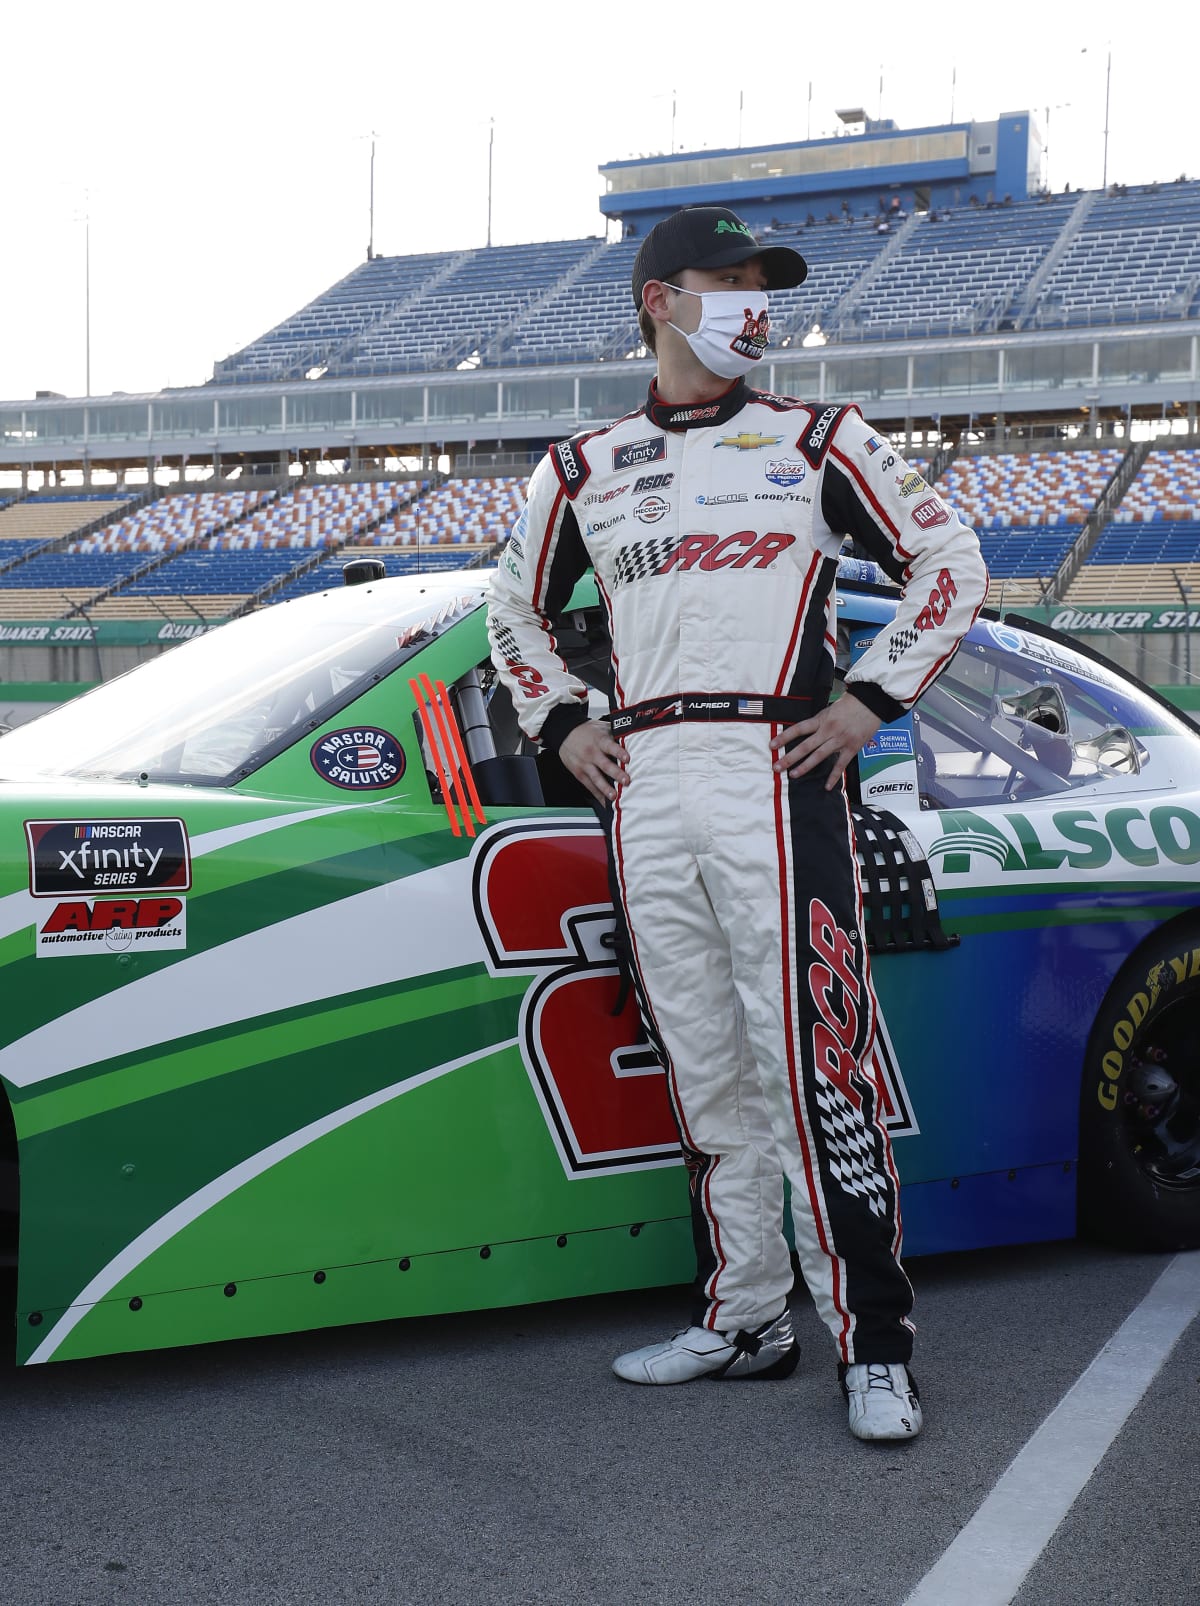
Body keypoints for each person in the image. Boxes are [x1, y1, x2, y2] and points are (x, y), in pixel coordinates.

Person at [486, 205, 987, 1442]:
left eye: (763, 284)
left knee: (813, 1067)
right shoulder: (582, 467)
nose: (753, 300)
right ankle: (747, 1316)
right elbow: (511, 611)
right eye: (728, 279)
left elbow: (953, 559)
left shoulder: (821, 438)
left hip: (780, 767)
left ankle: (874, 1345)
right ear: (661, 298)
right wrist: (563, 727)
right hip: (647, 777)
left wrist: (869, 698)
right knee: (705, 1069)